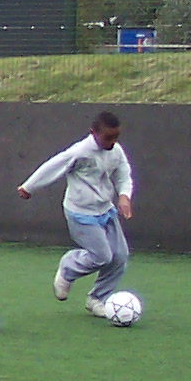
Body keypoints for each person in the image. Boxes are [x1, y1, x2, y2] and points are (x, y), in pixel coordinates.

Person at [18, 110, 135, 316]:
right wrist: (29, 187)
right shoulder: (81, 152)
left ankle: (97, 298)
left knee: (119, 257)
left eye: (116, 136)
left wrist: (124, 196)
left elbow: (123, 174)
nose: (113, 142)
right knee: (102, 256)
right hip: (81, 213)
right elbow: (54, 166)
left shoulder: (116, 151)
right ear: (93, 133)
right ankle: (68, 268)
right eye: (108, 137)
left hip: (105, 210)